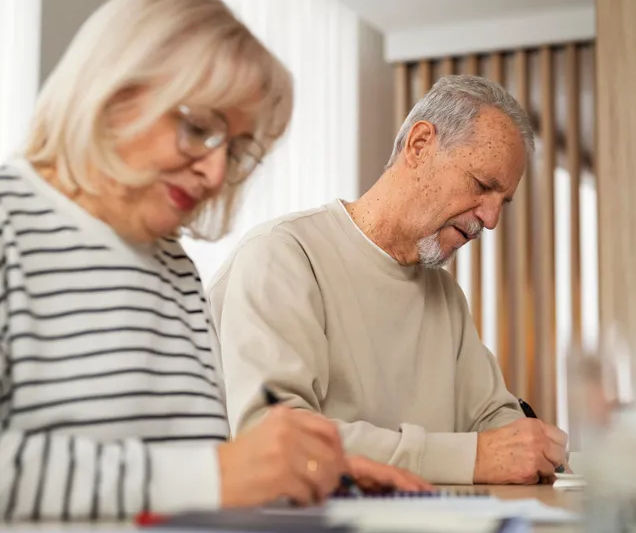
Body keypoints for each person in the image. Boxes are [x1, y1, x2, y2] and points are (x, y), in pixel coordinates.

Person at [0, 0, 427, 523]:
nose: (217, 173)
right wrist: (218, 476)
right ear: (112, 91)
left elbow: (187, 477)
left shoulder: (174, 268)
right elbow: (196, 478)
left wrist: (304, 476)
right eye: (199, 128)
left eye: (237, 150)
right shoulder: (8, 225)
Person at [208, 75, 570, 485]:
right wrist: (470, 458)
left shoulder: (445, 296)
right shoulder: (282, 255)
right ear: (419, 145)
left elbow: (491, 417)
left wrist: (533, 448)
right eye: (482, 186)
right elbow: (276, 436)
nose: (491, 219)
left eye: (501, 201)